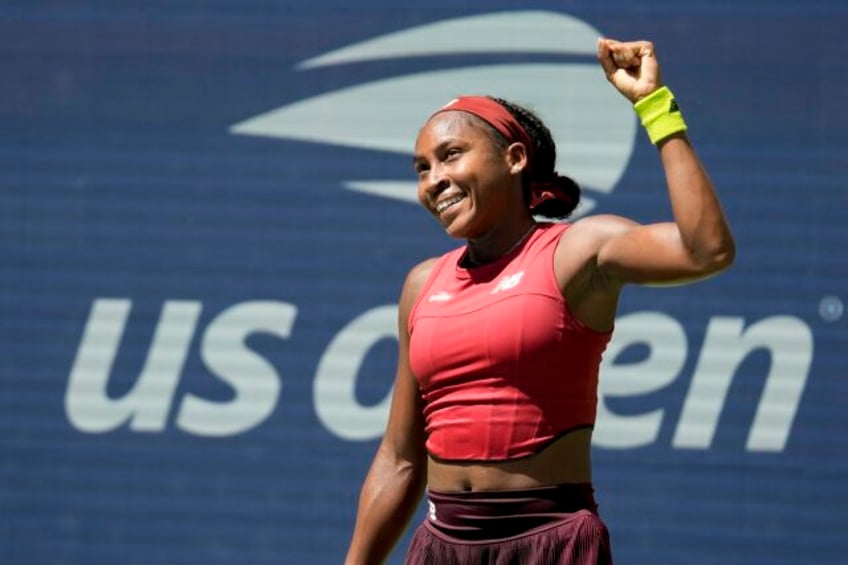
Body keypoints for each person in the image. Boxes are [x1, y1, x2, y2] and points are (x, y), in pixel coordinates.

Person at [344, 37, 735, 565]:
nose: (435, 180)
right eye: (421, 168)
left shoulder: (578, 252)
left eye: (450, 155)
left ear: (514, 158)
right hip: (440, 547)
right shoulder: (421, 285)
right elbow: (399, 458)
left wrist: (655, 106)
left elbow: (705, 249)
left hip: (549, 543)